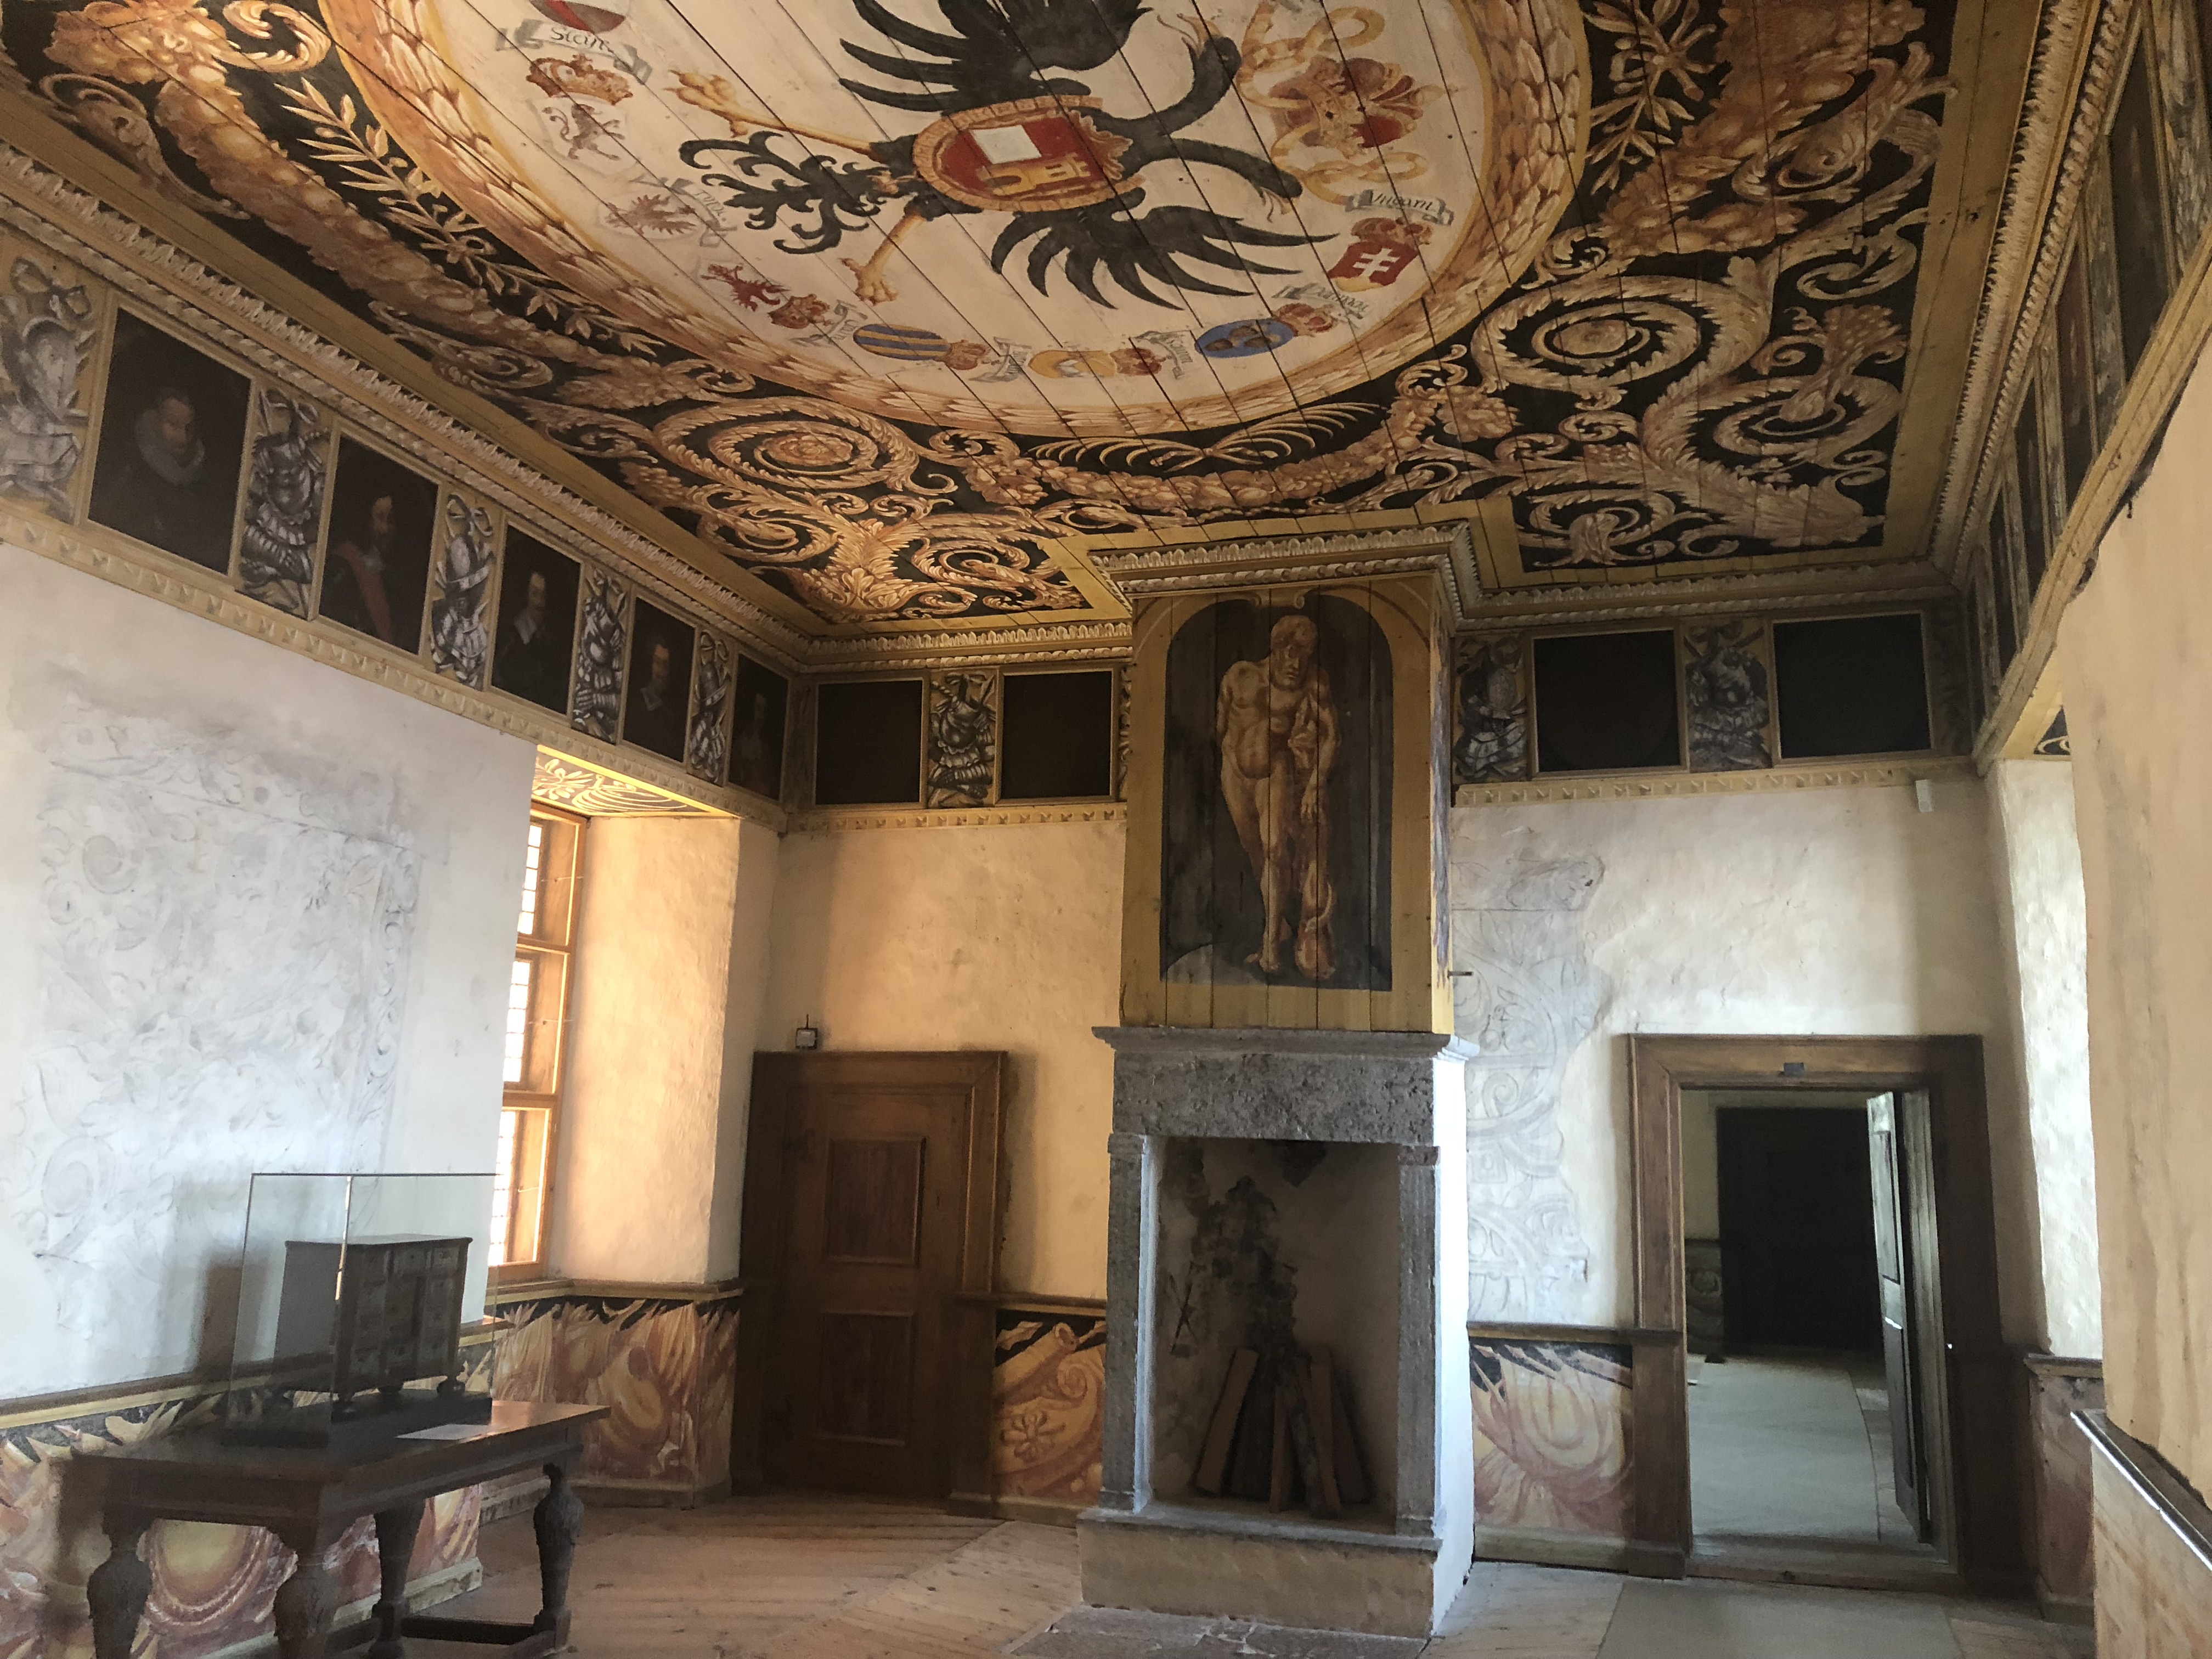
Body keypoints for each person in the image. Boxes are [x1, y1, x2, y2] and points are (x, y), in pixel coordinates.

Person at [1216, 613, 1339, 981]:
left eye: (1307, 654)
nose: (1298, 664)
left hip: (1276, 771)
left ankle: (1270, 943)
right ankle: (1280, 925)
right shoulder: (1240, 676)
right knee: (1253, 850)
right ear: (1278, 648)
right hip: (1235, 774)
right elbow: (1220, 725)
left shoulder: (1313, 684)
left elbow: (1332, 735)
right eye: (1293, 653)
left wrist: (1315, 783)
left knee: (1273, 850)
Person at [91, 383, 235, 568]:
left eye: (188, 428)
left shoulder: (205, 486)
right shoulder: (127, 473)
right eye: (173, 425)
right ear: (152, 421)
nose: (183, 438)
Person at [321, 490, 402, 644]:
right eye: (380, 518)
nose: (385, 530)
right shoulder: (343, 565)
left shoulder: (392, 578)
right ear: (367, 520)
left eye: (391, 521)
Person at [494, 566, 569, 710]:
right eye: (535, 594)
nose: (540, 602)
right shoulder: (511, 637)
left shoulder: (550, 640)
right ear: (526, 595)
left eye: (544, 596)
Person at [624, 636, 686, 755]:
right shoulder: (633, 704)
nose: (662, 671)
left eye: (666, 664)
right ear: (649, 663)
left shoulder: (676, 713)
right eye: (658, 663)